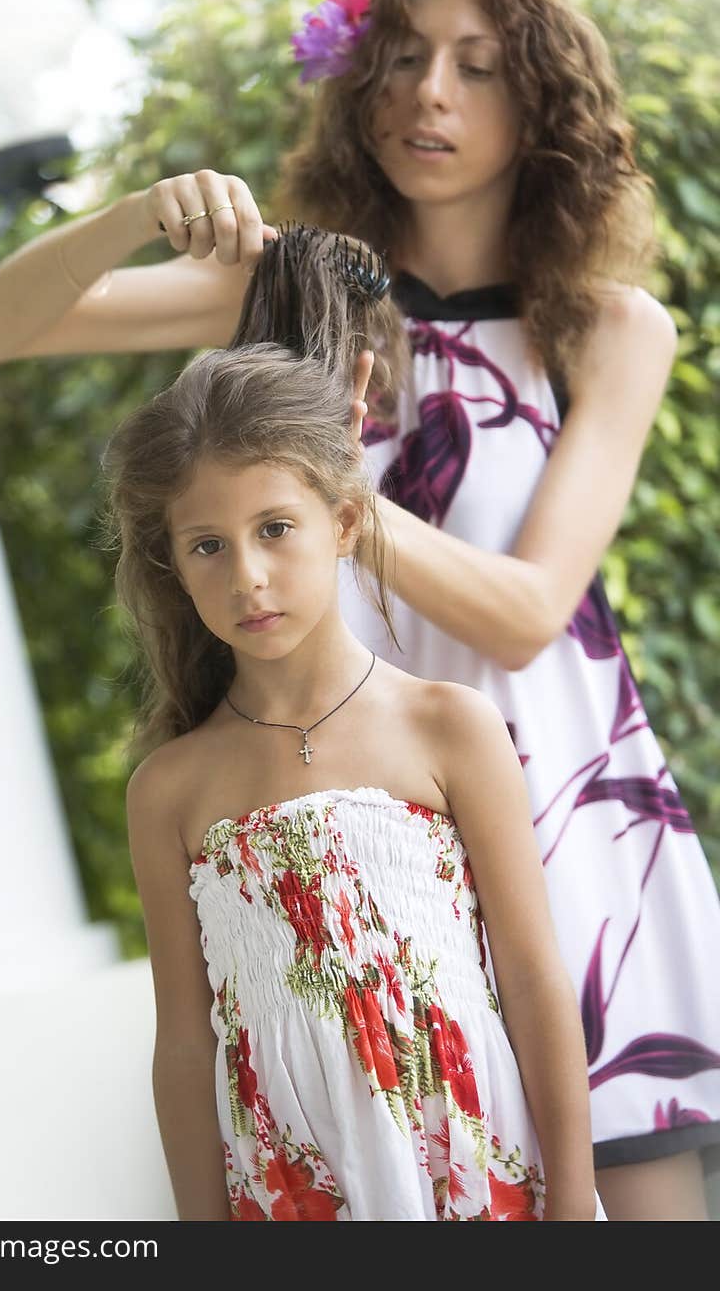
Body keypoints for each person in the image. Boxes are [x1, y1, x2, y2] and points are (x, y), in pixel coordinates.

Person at [0, 0, 720, 1220]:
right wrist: (143, 213)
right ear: (360, 84)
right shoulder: (287, 294)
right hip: (354, 844)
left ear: (542, 103)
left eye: (477, 68)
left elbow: (530, 613)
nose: (430, 93)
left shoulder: (604, 325)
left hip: (563, 829)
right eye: (404, 57)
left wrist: (328, 497)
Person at [102, 224, 602, 1220]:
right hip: (296, 1193)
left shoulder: (448, 727)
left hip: (479, 1168)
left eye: (274, 530)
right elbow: (183, 1043)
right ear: (171, 562)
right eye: (206, 545)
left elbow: (537, 979)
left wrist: (574, 1198)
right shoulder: (171, 789)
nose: (245, 574)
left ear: (341, 521)